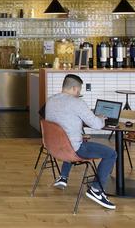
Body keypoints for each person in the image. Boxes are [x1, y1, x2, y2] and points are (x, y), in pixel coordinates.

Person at [46, 74, 117, 210]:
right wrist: (101, 118)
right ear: (74, 88)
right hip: (73, 149)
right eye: (79, 91)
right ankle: (96, 190)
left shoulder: (50, 100)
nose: (79, 94)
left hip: (55, 148)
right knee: (111, 154)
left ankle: (63, 177)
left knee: (72, 139)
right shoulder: (77, 102)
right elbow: (97, 125)